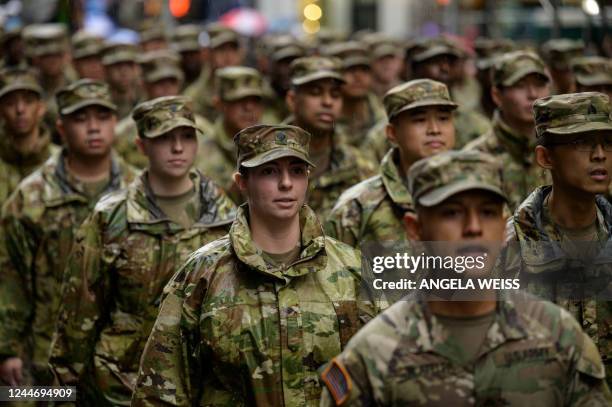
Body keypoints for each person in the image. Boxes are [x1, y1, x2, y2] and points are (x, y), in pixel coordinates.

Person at [320, 150, 612, 406]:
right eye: (452, 213)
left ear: (502, 227)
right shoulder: (371, 355)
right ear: (415, 230)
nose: (473, 228)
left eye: (486, 213)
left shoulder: (559, 336)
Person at [132, 124, 381, 405]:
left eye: (297, 171)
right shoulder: (203, 274)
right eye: (269, 171)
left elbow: (386, 376)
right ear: (242, 182)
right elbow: (160, 391)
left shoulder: (352, 269)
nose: (286, 183)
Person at [49, 95, 236, 405]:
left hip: (200, 386)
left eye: (186, 137)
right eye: (164, 138)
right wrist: (61, 388)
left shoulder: (225, 215)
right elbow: (79, 311)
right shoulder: (112, 218)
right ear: (141, 146)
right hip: (120, 386)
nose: (178, 148)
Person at [0, 79, 138, 388]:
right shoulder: (31, 198)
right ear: (61, 128)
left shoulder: (140, 192)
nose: (93, 128)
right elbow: (10, 278)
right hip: (46, 358)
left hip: (123, 359)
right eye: (80, 118)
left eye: (102, 117)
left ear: (115, 123)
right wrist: (7, 350)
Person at [504, 92, 612, 387]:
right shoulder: (507, 251)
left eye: (608, 142)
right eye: (581, 143)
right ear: (545, 157)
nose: (599, 154)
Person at [326, 79, 456, 247]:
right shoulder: (357, 206)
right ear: (392, 133)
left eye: (443, 118)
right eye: (420, 120)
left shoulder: (478, 197)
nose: (434, 129)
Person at [284, 56, 376, 219]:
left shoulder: (359, 166)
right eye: (315, 93)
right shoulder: (262, 162)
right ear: (292, 100)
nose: (327, 102)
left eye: (335, 95)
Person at [464, 51, 552, 211]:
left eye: (539, 84)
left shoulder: (560, 152)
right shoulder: (475, 158)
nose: (532, 94)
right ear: (497, 95)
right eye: (520, 85)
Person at [114, 49, 213, 168]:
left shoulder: (202, 128)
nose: (167, 88)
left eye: (172, 82)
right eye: (159, 82)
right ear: (144, 85)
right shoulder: (123, 133)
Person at [196, 66, 265, 203]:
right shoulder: (200, 155)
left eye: (255, 100)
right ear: (219, 104)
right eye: (239, 100)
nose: (249, 107)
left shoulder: (273, 147)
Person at [0, 67, 57, 206]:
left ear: (41, 108)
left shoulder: (61, 161)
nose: (20, 109)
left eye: (28, 101)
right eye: (10, 103)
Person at [324, 41, 386, 149]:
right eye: (349, 70)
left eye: (364, 70)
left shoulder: (385, 117)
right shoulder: (323, 119)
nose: (358, 77)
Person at [184, 25, 245, 121]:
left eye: (232, 49)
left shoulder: (253, 88)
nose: (228, 56)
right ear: (207, 54)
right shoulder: (193, 96)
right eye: (221, 49)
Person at [102, 43, 143, 119]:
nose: (124, 72)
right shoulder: (102, 104)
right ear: (106, 70)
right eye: (117, 67)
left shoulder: (145, 98)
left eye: (129, 66)